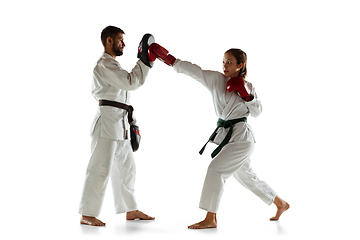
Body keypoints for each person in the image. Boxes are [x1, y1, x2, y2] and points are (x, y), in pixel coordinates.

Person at [148, 44, 289, 229]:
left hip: (242, 138)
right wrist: (170, 60)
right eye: (223, 62)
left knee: (215, 170)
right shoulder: (216, 79)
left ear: (240, 65)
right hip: (227, 138)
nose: (225, 66)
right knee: (247, 177)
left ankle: (211, 218)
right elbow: (195, 71)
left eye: (229, 62)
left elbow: (258, 112)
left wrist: (247, 96)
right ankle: (281, 203)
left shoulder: (249, 86)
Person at [79, 26, 155, 226]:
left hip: (120, 122)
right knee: (99, 169)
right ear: (109, 41)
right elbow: (131, 82)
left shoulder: (113, 64)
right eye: (121, 40)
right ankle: (87, 214)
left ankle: (131, 209)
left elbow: (125, 89)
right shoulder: (104, 64)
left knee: (127, 168)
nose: (124, 44)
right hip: (107, 123)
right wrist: (144, 61)